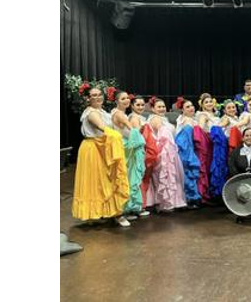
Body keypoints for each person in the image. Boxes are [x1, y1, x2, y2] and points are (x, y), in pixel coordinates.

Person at [72, 87, 131, 227]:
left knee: (108, 180)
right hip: (93, 149)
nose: (97, 97)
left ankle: (114, 213)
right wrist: (117, 136)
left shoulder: (102, 111)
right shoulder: (91, 113)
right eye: (93, 95)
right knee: (98, 182)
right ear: (88, 98)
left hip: (103, 146)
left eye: (99, 95)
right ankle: (103, 213)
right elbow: (102, 127)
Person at [143, 97, 187, 213]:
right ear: (153, 109)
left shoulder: (164, 118)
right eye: (159, 107)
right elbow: (162, 135)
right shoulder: (156, 119)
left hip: (170, 150)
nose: (162, 109)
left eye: (163, 106)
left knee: (172, 177)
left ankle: (172, 201)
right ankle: (165, 203)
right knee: (164, 176)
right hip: (163, 151)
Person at [111, 91, 145, 222]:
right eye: (123, 98)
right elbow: (133, 130)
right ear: (117, 101)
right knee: (126, 178)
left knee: (128, 178)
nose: (126, 100)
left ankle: (129, 207)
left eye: (127, 98)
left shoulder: (119, 113)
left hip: (125, 146)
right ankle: (122, 210)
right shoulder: (119, 114)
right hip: (125, 147)